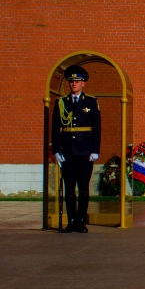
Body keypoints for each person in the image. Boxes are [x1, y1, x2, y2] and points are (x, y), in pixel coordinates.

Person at [52, 65, 101, 233]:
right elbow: (55, 128)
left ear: (83, 84)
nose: (73, 84)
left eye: (77, 81)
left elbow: (97, 127)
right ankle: (71, 221)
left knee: (83, 188)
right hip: (67, 151)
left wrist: (95, 150)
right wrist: (56, 150)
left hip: (85, 151)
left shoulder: (91, 102)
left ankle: (81, 221)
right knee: (69, 187)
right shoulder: (61, 103)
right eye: (71, 81)